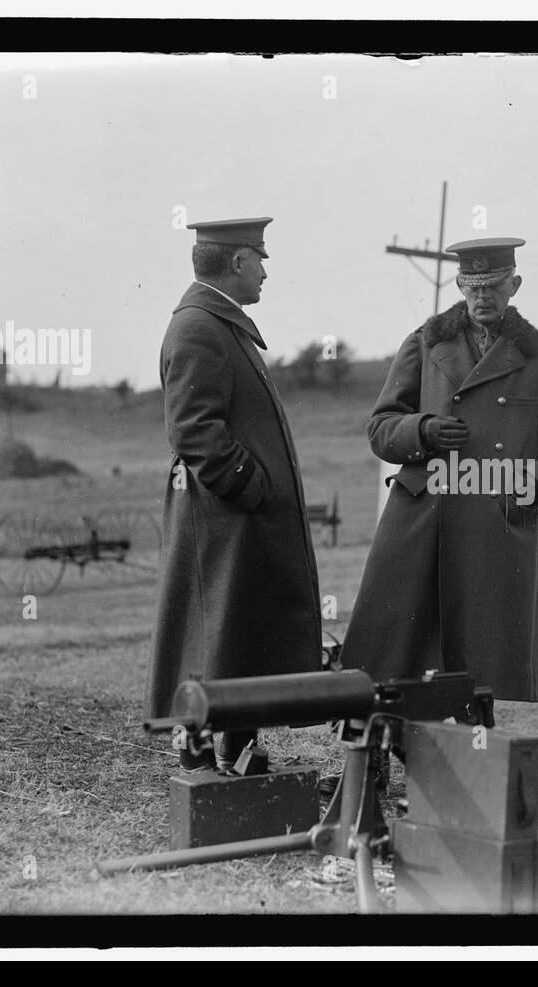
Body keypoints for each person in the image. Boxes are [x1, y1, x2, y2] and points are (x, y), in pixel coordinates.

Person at [338, 237, 538, 719]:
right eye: (473, 287)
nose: (483, 298)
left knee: (477, 665)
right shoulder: (425, 342)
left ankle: (469, 767)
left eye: (494, 286)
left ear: (514, 285)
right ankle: (373, 763)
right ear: (459, 285)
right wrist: (423, 429)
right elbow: (379, 428)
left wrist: (535, 484)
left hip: (494, 521)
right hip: (421, 518)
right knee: (396, 654)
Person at [146, 217, 322, 773]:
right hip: (222, 520)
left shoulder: (218, 322)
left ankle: (233, 748)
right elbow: (194, 431)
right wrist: (253, 486)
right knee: (214, 639)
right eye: (261, 259)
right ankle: (202, 751)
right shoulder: (200, 326)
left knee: (236, 637)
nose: (267, 271)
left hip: (234, 521)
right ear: (239, 262)